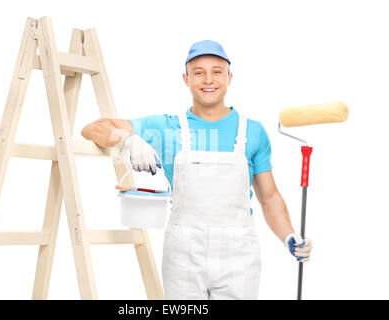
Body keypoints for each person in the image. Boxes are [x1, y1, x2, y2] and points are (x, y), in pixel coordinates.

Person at [81, 40, 313, 300]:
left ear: (229, 77)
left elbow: (269, 197)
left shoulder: (252, 132)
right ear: (186, 78)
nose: (208, 79)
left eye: (216, 71)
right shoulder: (166, 128)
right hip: (183, 256)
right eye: (199, 72)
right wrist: (127, 138)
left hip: (239, 257)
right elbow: (91, 129)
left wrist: (288, 235)